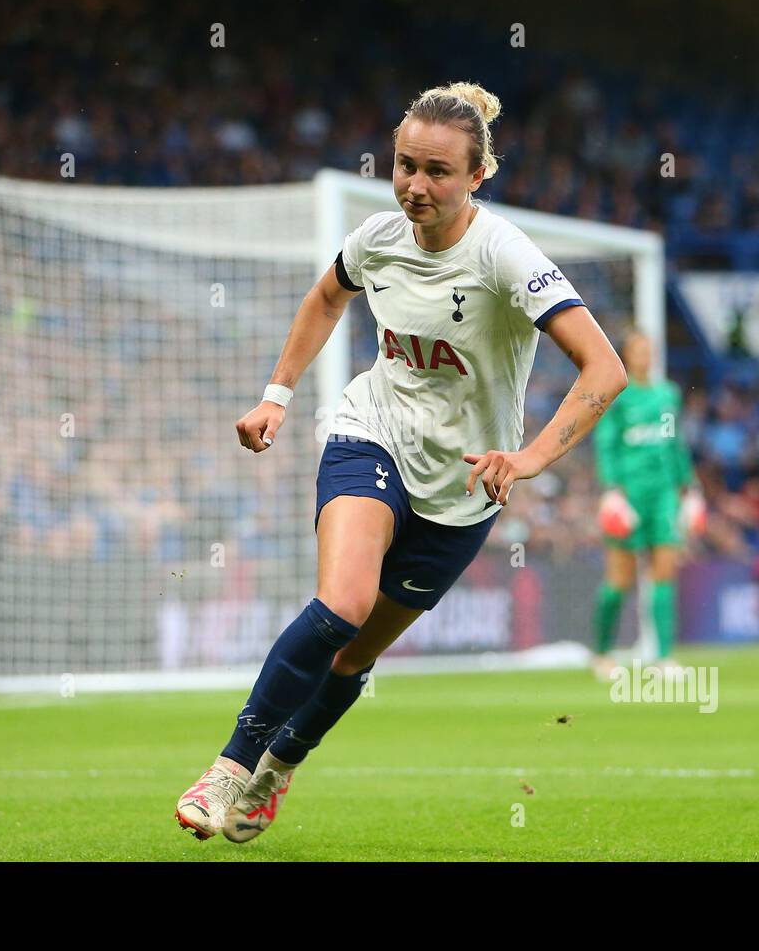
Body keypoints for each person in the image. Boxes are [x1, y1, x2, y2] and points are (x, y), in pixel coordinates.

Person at [175, 82, 627, 843]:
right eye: (405, 166)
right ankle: (228, 769)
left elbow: (604, 369)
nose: (417, 185)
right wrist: (276, 395)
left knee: (355, 654)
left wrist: (532, 458)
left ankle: (278, 768)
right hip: (370, 431)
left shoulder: (506, 256)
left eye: (439, 172)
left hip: (463, 487)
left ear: (479, 176)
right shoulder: (378, 238)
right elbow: (325, 298)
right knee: (342, 603)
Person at [590, 331, 703, 678]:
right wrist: (611, 491)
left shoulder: (667, 394)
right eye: (637, 351)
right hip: (629, 494)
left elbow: (675, 445)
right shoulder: (618, 397)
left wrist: (690, 488)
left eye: (648, 351)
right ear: (626, 355)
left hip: (664, 494)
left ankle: (664, 656)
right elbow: (606, 444)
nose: (644, 357)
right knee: (619, 579)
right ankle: (602, 652)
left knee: (664, 570)